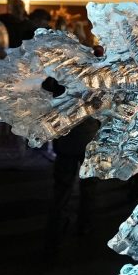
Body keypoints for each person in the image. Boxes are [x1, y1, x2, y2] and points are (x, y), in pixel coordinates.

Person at [40, 77, 101, 263]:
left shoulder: (61, 78)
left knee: (62, 188)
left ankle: (56, 228)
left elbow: (46, 88)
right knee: (88, 186)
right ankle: (84, 223)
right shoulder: (96, 78)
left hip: (66, 140)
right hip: (89, 140)